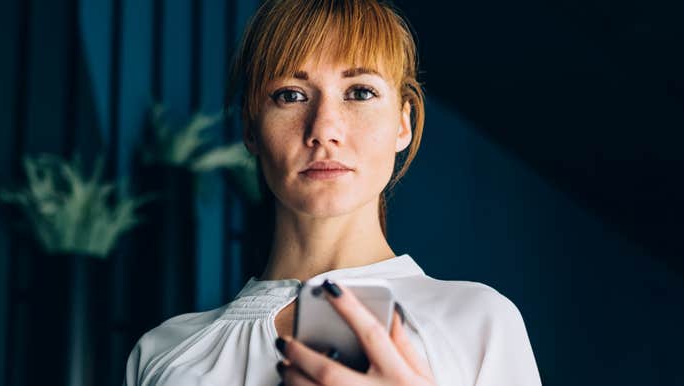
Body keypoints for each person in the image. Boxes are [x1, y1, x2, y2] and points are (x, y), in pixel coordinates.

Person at [123, 0, 542, 385]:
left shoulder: (478, 324)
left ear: (403, 123)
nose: (324, 129)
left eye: (360, 92)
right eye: (291, 95)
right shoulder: (163, 354)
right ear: (250, 128)